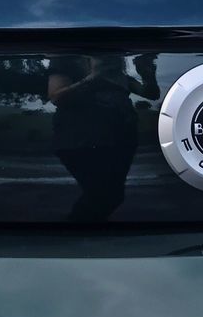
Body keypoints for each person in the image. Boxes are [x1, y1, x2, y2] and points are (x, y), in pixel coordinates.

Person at [46, 53, 159, 221]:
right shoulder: (65, 61)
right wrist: (93, 78)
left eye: (111, 57)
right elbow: (57, 97)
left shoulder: (120, 77)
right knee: (101, 194)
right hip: (80, 143)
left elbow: (151, 94)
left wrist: (147, 73)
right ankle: (73, 231)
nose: (108, 60)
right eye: (103, 57)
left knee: (114, 194)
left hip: (120, 142)